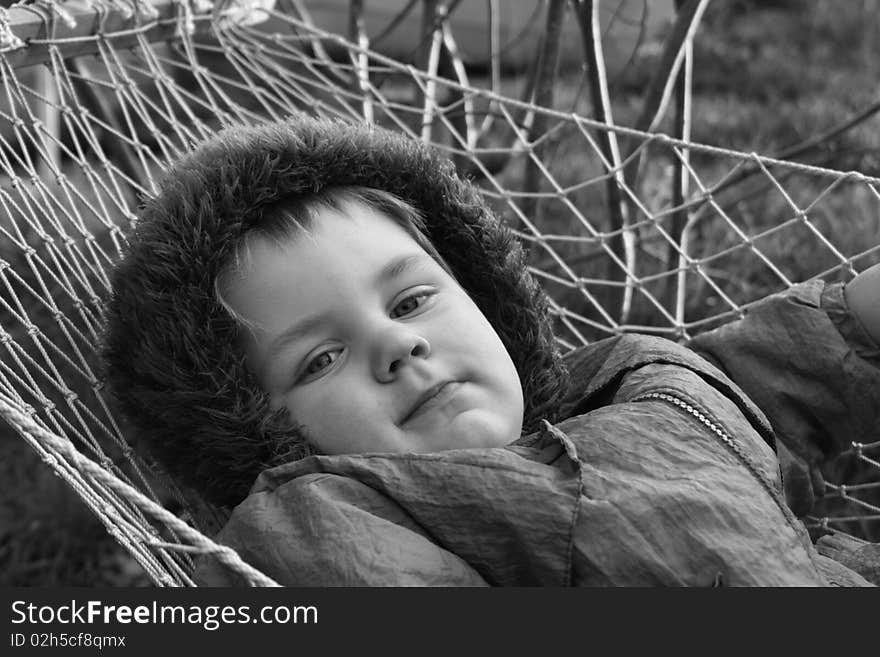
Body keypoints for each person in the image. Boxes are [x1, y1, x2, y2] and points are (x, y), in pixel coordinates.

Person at [102, 116, 880, 586]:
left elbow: (761, 379)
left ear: (488, 298)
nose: (399, 344)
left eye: (410, 301)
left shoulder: (625, 379)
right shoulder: (326, 518)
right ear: (257, 429)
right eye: (319, 359)